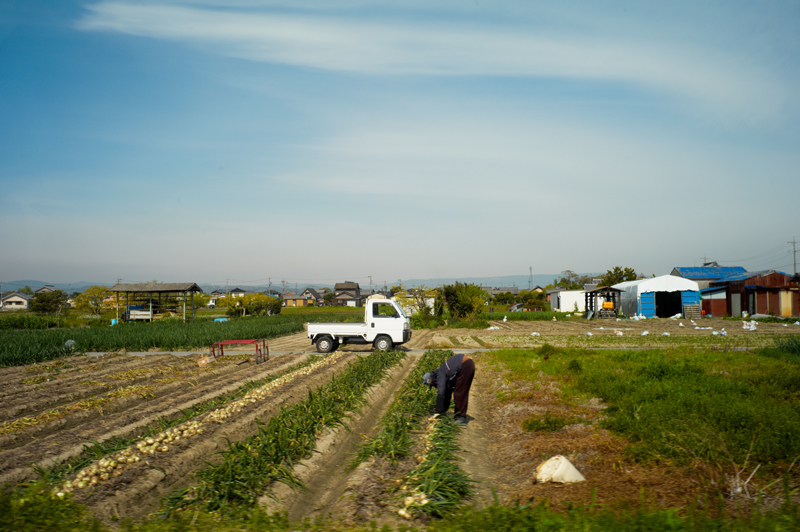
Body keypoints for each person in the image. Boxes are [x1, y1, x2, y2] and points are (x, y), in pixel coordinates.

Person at [422, 353, 475, 425]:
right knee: (457, 391)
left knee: (460, 393)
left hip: (465, 365)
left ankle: (461, 418)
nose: (434, 386)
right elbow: (447, 391)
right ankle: (458, 416)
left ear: (431, 380)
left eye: (432, 385)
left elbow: (441, 393)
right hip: (465, 365)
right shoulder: (442, 373)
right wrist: (443, 410)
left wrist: (438, 411)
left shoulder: (440, 374)